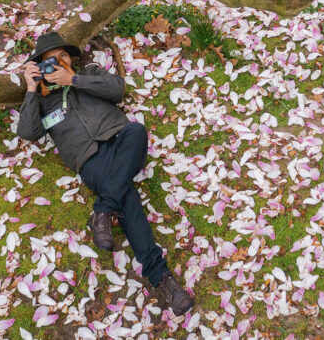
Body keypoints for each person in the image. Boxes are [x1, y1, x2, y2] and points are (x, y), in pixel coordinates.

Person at [15, 31, 194, 316]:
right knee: (128, 198)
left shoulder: (88, 73)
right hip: (90, 161)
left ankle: (103, 209)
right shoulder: (43, 99)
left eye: (63, 56)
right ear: (40, 67)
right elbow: (28, 132)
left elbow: (117, 89)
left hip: (121, 140)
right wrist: (30, 89)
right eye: (50, 61)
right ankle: (163, 279)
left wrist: (73, 80)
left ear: (71, 59)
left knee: (136, 130)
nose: (58, 63)